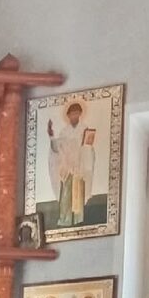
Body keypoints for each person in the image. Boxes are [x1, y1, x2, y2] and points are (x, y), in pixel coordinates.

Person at [47, 98, 96, 231]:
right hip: (67, 166)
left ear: (80, 114)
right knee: (66, 194)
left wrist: (86, 149)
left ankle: (78, 219)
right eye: (72, 114)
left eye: (76, 113)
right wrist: (52, 136)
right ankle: (65, 219)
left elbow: (88, 147)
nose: (74, 116)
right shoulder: (64, 131)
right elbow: (57, 148)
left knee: (78, 193)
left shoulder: (84, 129)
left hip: (79, 165)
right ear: (68, 116)